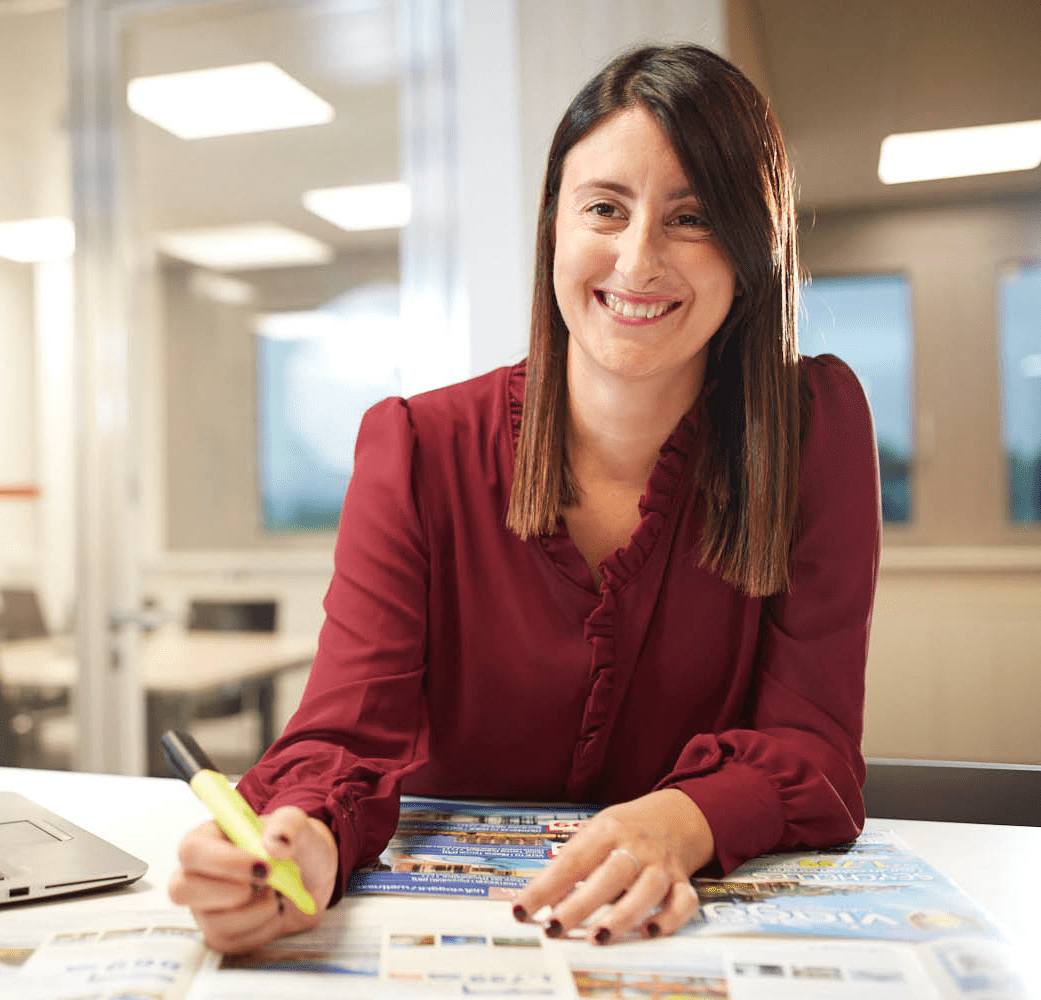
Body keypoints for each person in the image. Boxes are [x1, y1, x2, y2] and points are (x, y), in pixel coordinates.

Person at [168, 43, 881, 953]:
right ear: (554, 225)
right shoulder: (417, 446)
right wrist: (298, 837)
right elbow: (344, 737)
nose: (637, 259)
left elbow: (813, 748)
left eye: (692, 217)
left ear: (750, 250)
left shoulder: (813, 424)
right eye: (603, 209)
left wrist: (680, 820)